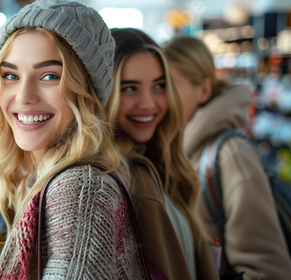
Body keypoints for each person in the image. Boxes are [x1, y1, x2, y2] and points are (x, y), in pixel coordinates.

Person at [0, 0, 147, 279]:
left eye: (50, 76)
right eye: (11, 75)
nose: (24, 95)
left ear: (85, 90)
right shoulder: (42, 176)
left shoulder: (80, 190)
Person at [163, 35, 291, 280]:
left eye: (170, 85)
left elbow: (267, 270)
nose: (159, 98)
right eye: (159, 86)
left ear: (203, 90)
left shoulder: (230, 155)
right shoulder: (174, 148)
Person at [105, 28, 219, 280]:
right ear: (103, 92)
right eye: (129, 88)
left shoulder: (159, 162)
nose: (148, 103)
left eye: (159, 86)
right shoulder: (126, 178)